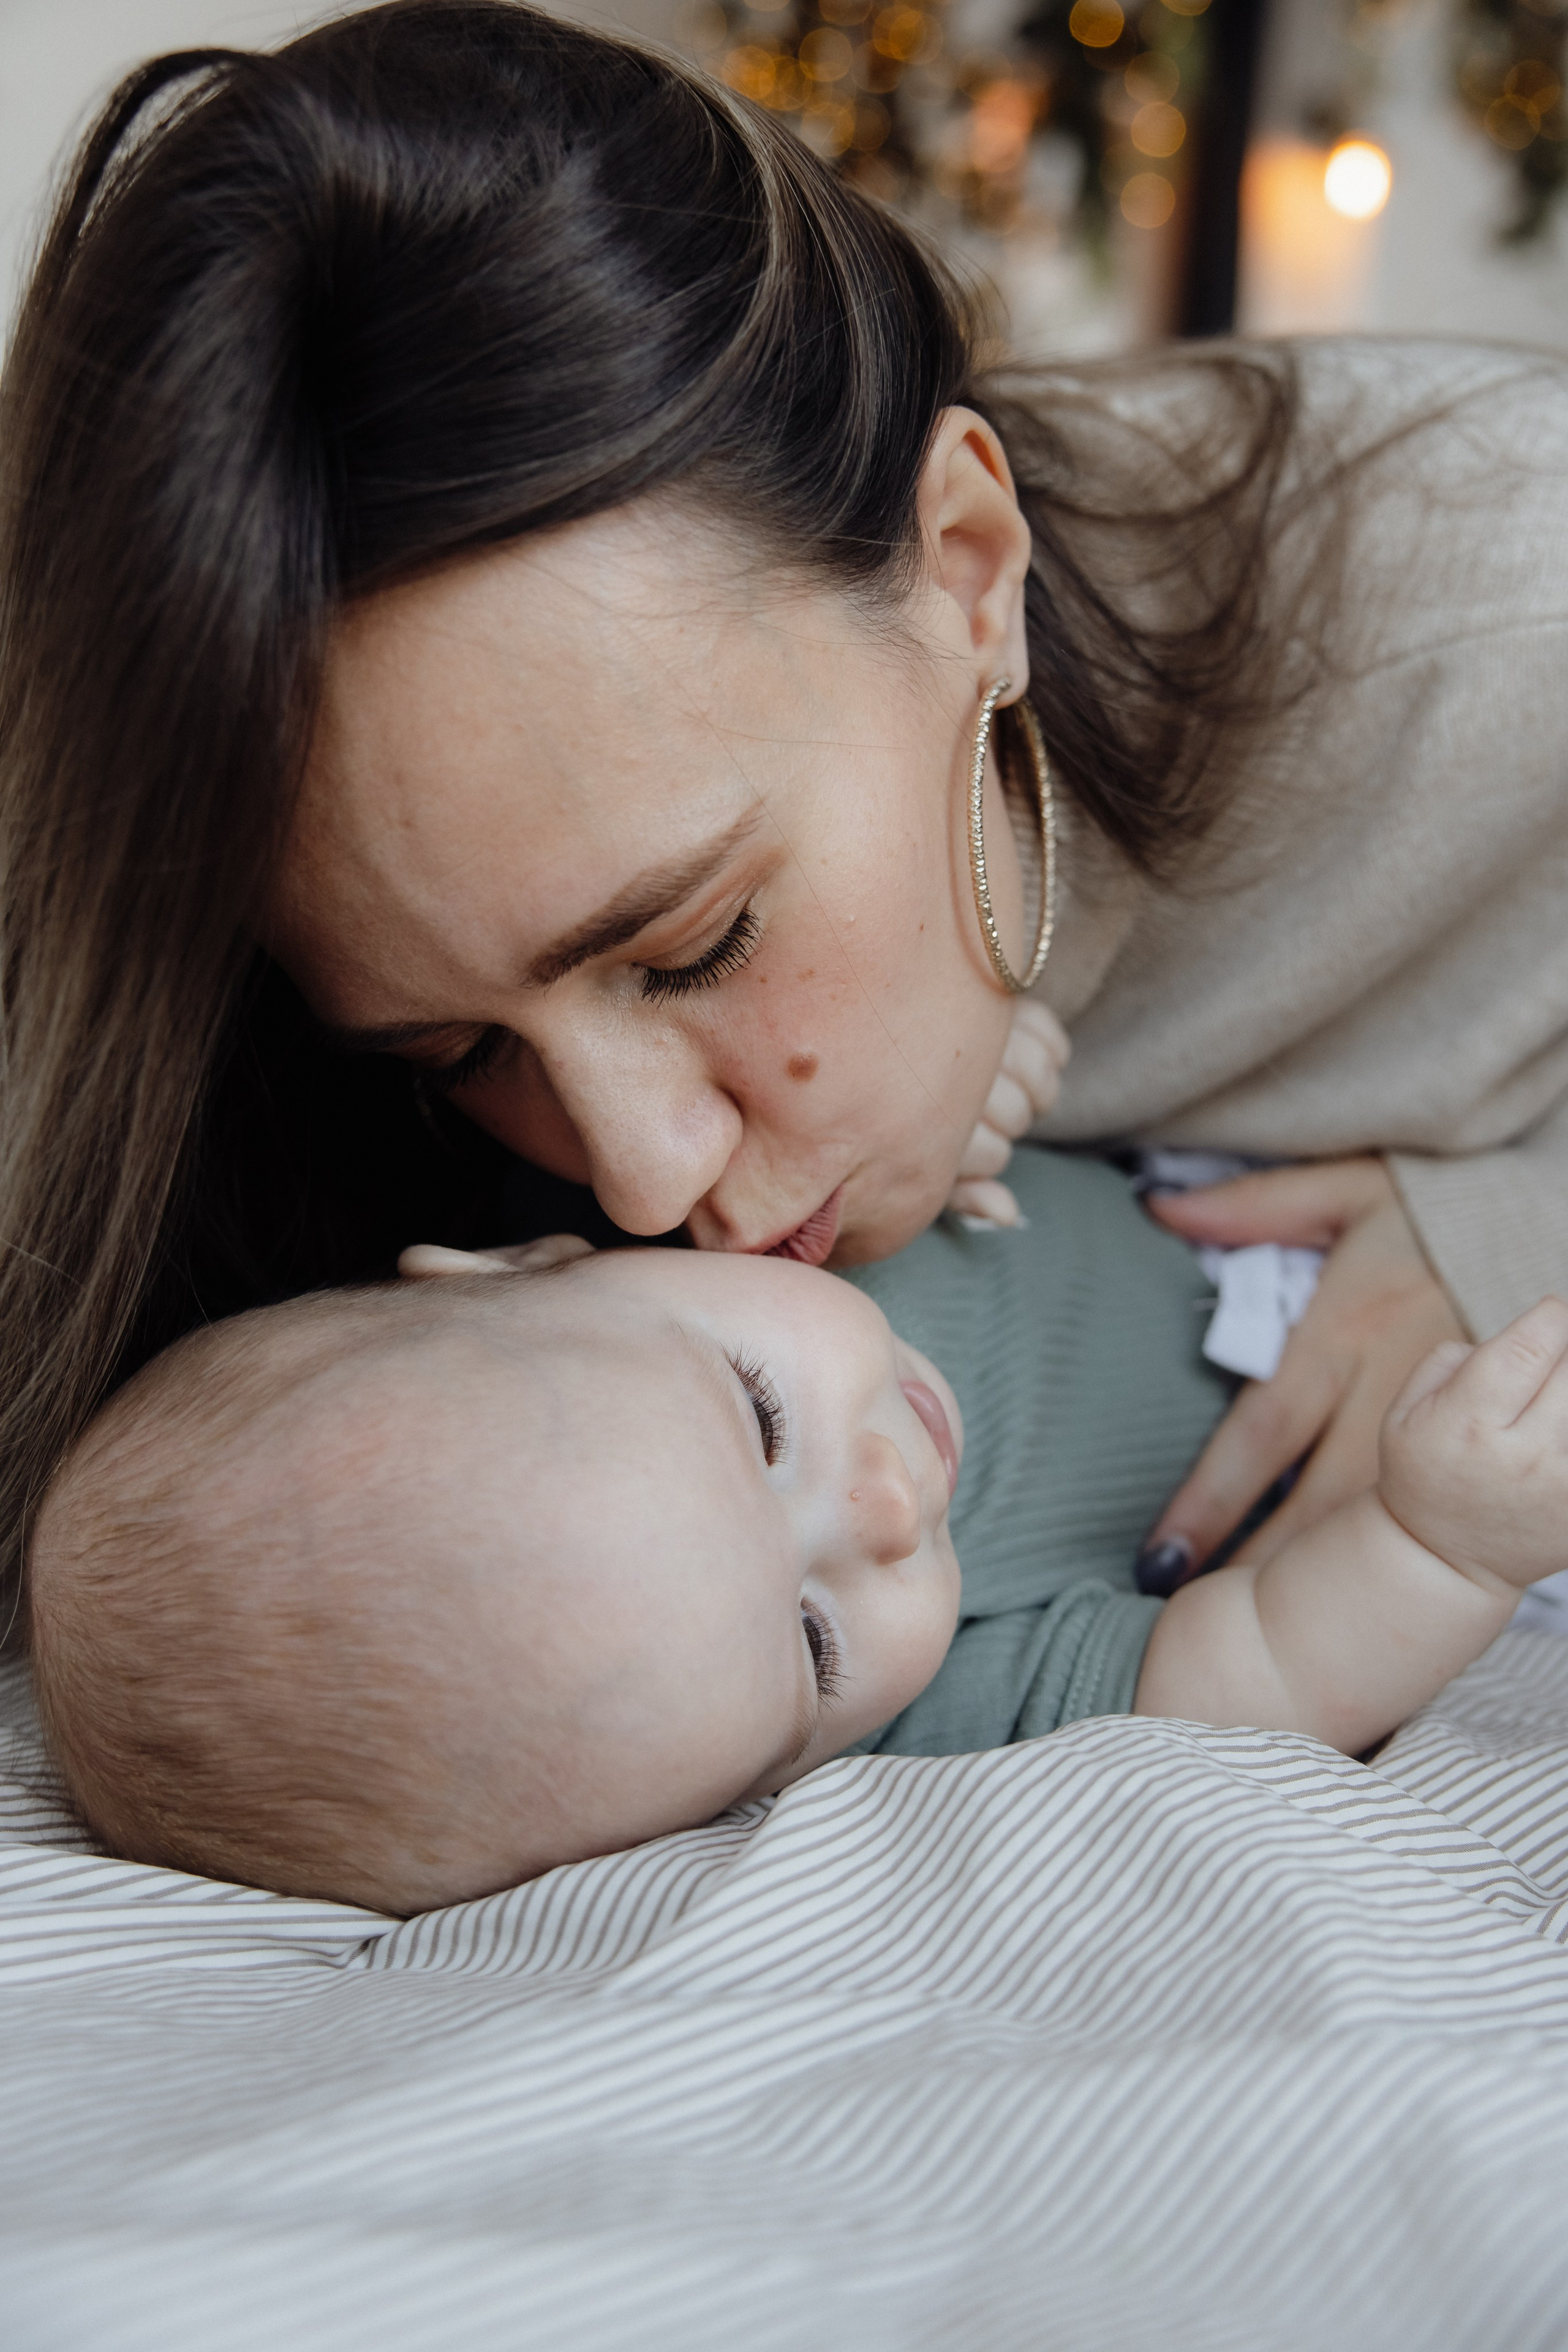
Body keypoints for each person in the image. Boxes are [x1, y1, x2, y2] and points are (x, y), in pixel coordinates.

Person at [4, 0, 1567, 1631]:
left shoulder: (1515, 607)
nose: (638, 1182)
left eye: (696, 943)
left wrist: (1516, 1241)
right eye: (454, 1056)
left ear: (969, 567)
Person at [28, 1142, 1568, 1915]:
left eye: (761, 1418)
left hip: (1277, 1175)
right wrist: (1445, 1543)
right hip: (1433, 1406)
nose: (888, 1504)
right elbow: (1270, 1670)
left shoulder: (686, 1178)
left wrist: (996, 1072)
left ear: (523, 1261)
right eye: (813, 1641)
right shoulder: (927, 1711)